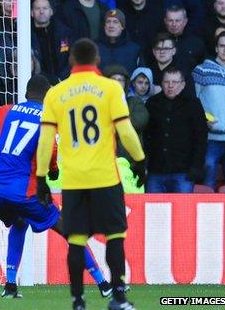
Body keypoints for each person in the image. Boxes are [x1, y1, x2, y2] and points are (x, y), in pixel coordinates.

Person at [0, 76, 113, 299]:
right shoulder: (46, 119)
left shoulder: (4, 110)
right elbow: (50, 152)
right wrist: (54, 170)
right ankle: (104, 284)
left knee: (19, 222)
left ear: (26, 93)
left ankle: (10, 286)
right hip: (24, 192)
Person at [35, 38, 146, 310]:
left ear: (71, 60)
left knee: (76, 240)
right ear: (97, 60)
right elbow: (126, 130)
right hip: (105, 178)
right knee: (115, 237)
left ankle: (77, 301)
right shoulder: (109, 88)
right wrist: (140, 161)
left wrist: (40, 178)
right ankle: (118, 297)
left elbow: (45, 140)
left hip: (74, 181)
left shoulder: (55, 94)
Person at [144, 68, 208, 193]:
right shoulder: (152, 103)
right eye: (167, 82)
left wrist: (196, 167)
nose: (171, 86)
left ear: (183, 84)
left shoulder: (193, 104)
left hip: (183, 172)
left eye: (175, 82)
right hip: (156, 170)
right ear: (161, 84)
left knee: (183, 212)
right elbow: (146, 135)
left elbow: (201, 138)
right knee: (154, 212)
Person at [193, 31, 225, 189]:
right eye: (222, 46)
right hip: (211, 137)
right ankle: (208, 214)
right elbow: (193, 101)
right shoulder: (202, 70)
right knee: (207, 183)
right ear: (216, 48)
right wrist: (202, 120)